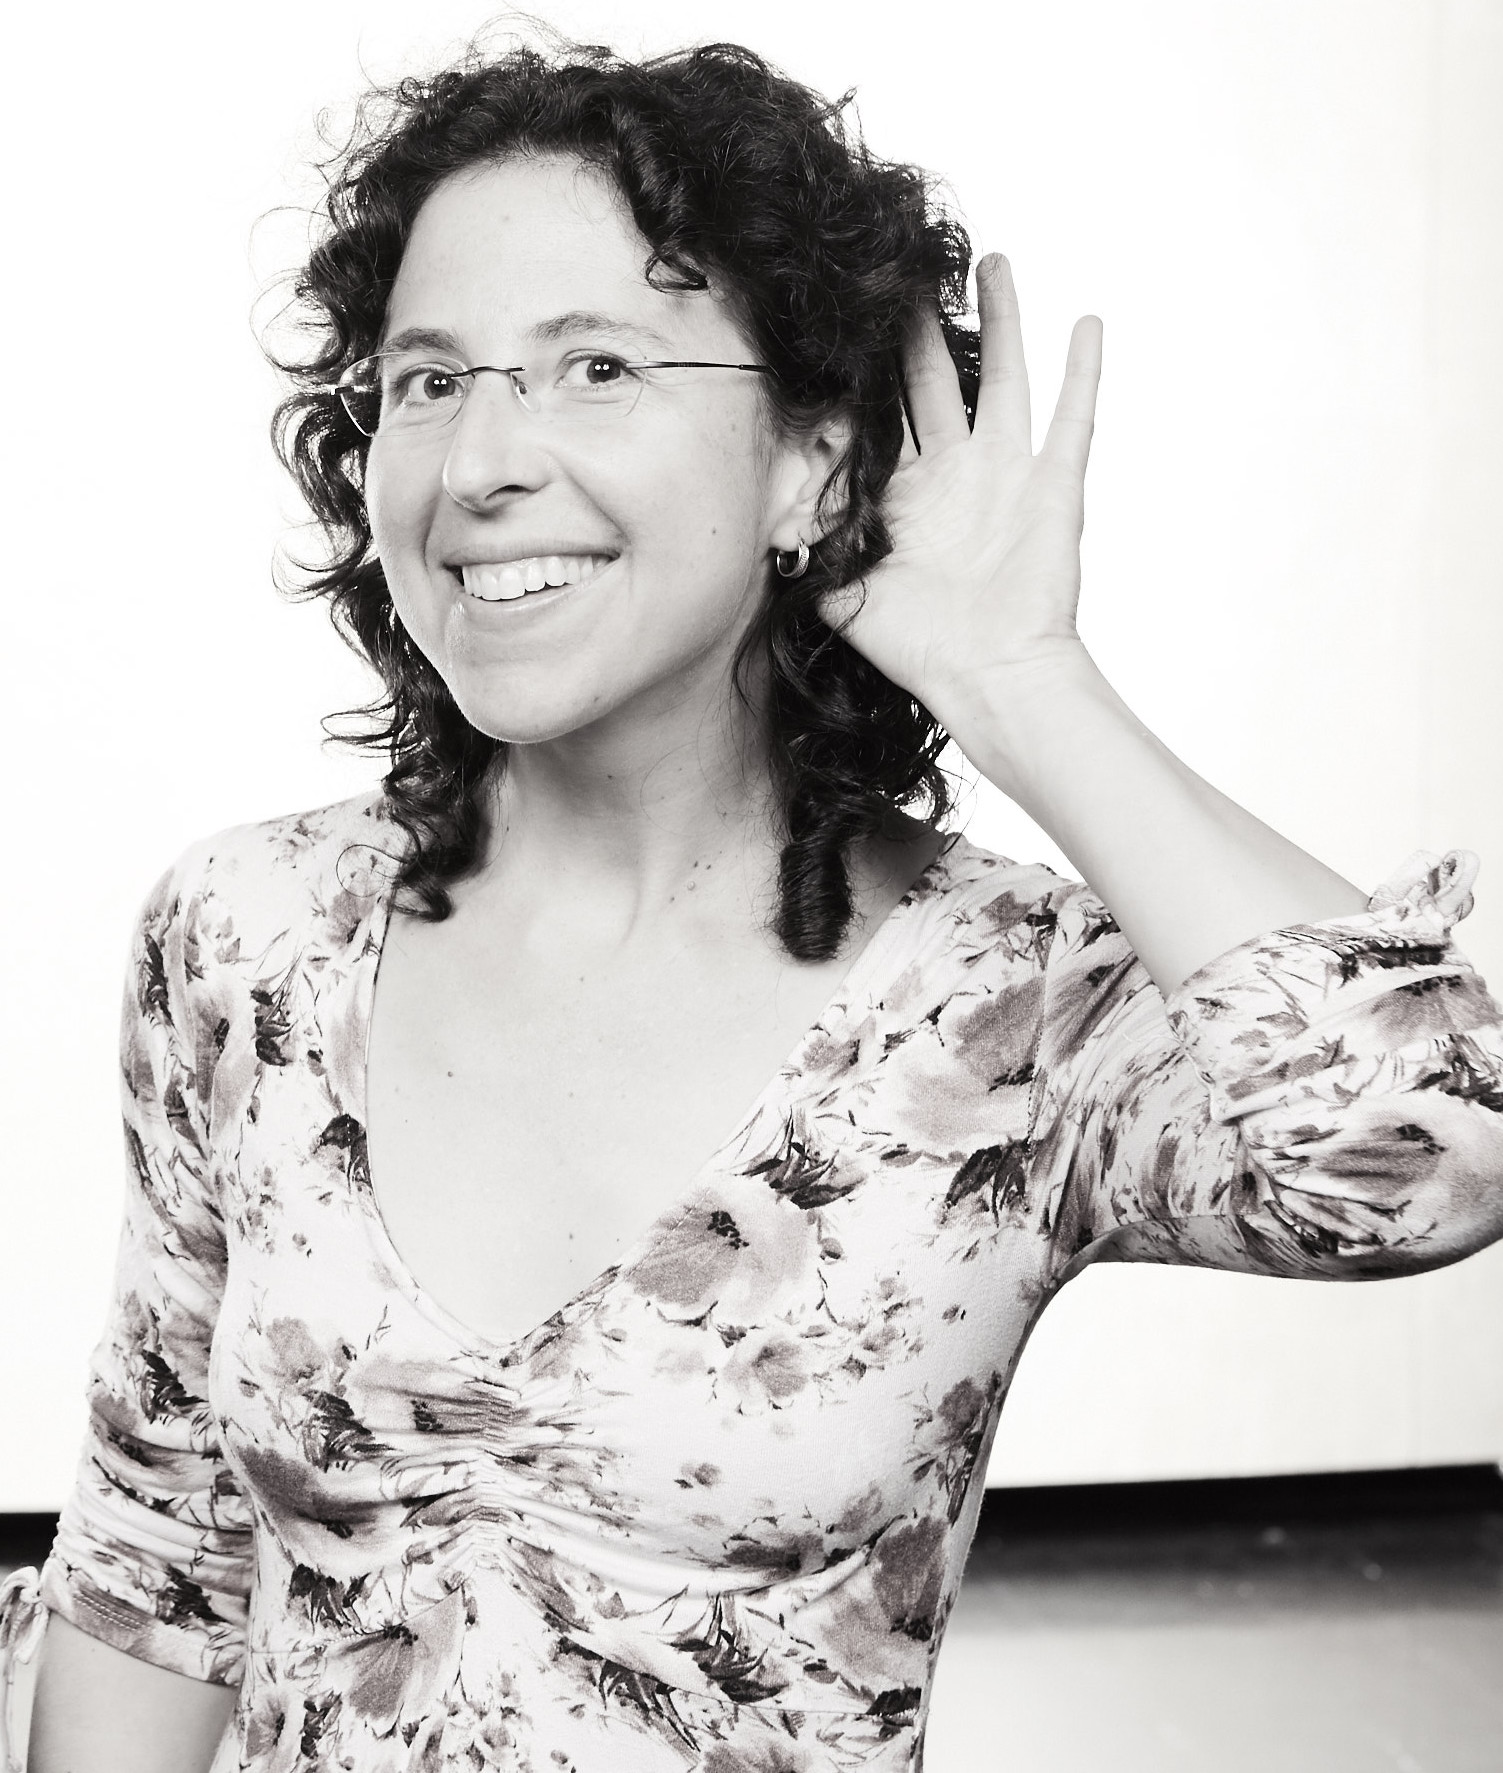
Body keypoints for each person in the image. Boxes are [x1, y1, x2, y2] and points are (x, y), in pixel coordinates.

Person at [6, 31, 1503, 1773]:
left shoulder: (1001, 1004)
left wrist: (1023, 681)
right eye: (429, 378)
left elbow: (1436, 1144)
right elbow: (156, 1569)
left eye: (596, 367)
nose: (479, 460)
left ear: (812, 461)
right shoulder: (247, 938)